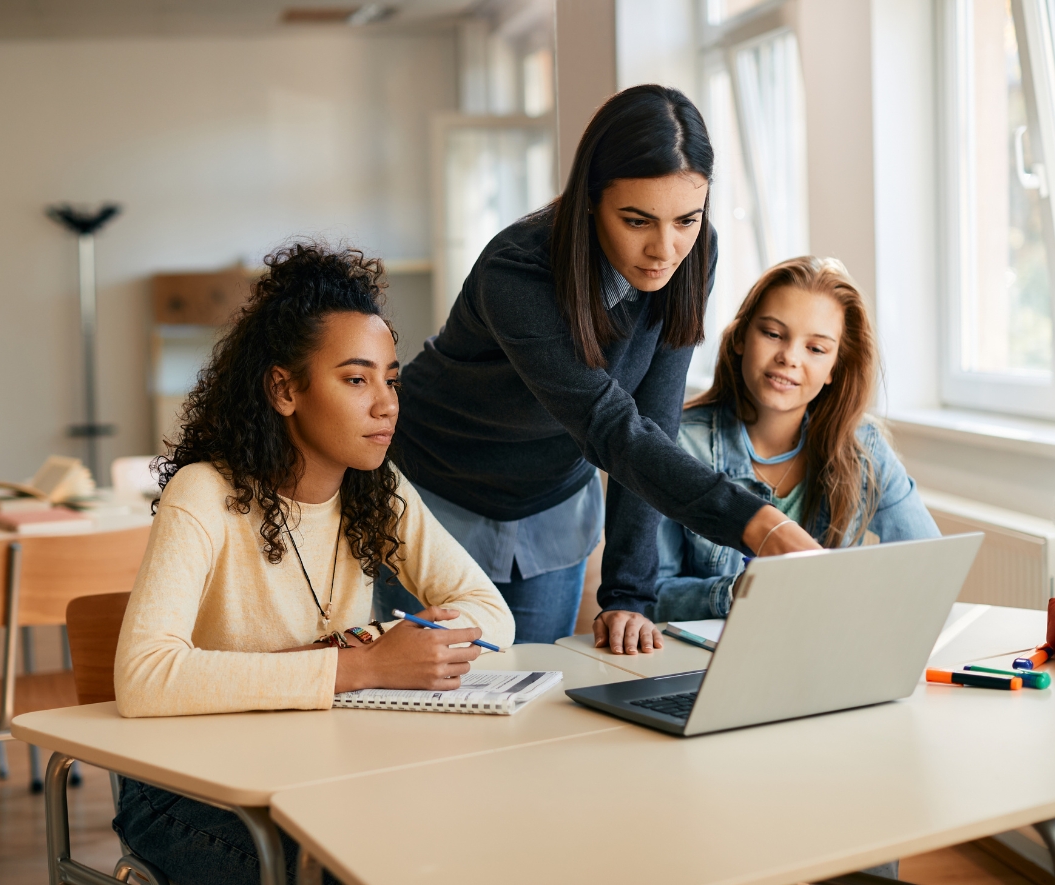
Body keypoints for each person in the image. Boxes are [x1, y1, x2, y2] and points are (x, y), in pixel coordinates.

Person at [112, 243, 515, 885]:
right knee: (360, 869)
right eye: (356, 379)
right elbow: (143, 677)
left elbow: (490, 613)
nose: (385, 404)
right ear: (284, 389)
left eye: (391, 378)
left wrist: (380, 649)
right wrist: (365, 665)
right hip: (187, 791)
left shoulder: (378, 487)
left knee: (470, 835)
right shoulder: (204, 493)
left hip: (318, 772)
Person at [378, 84, 818, 654]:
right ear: (589, 200)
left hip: (551, 505)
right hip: (436, 493)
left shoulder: (692, 253)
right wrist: (759, 522)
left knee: (530, 709)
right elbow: (608, 426)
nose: (665, 249)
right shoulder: (517, 271)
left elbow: (650, 423)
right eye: (637, 221)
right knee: (426, 710)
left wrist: (628, 594)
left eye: (686, 218)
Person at [654, 256, 940, 626]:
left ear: (835, 367)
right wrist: (737, 592)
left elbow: (928, 564)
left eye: (816, 349)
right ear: (741, 337)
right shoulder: (676, 443)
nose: (789, 357)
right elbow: (649, 596)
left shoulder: (862, 446)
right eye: (773, 334)